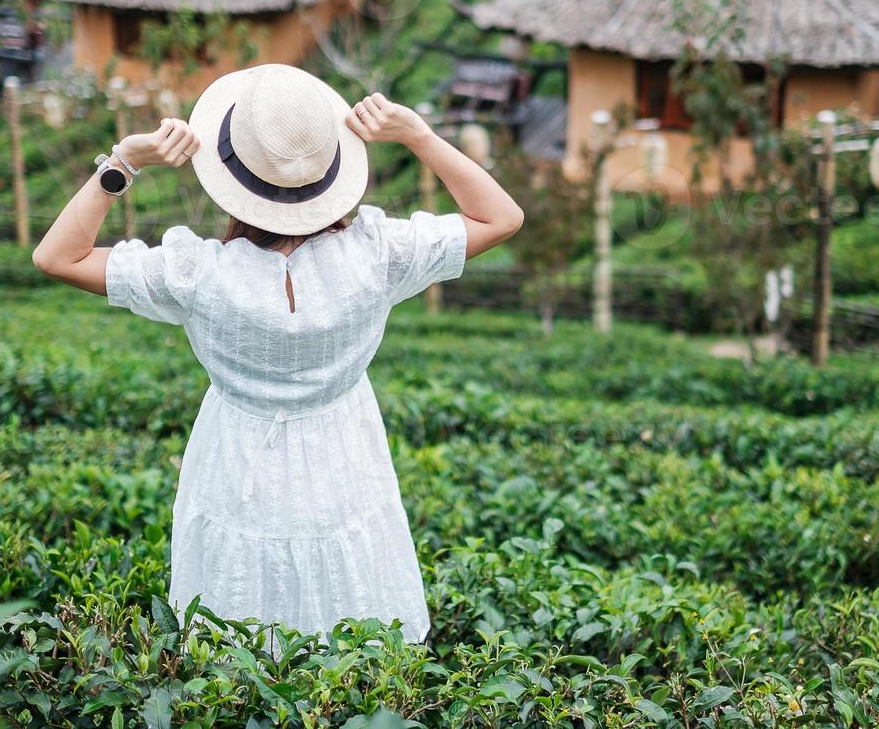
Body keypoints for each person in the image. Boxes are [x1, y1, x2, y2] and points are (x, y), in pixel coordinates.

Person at [31, 64, 523, 643]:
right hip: (346, 457)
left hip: (234, 461)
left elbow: (57, 257)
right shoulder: (377, 253)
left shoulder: (197, 273)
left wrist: (122, 163)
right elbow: (501, 217)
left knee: (236, 623)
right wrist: (419, 136)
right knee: (351, 612)